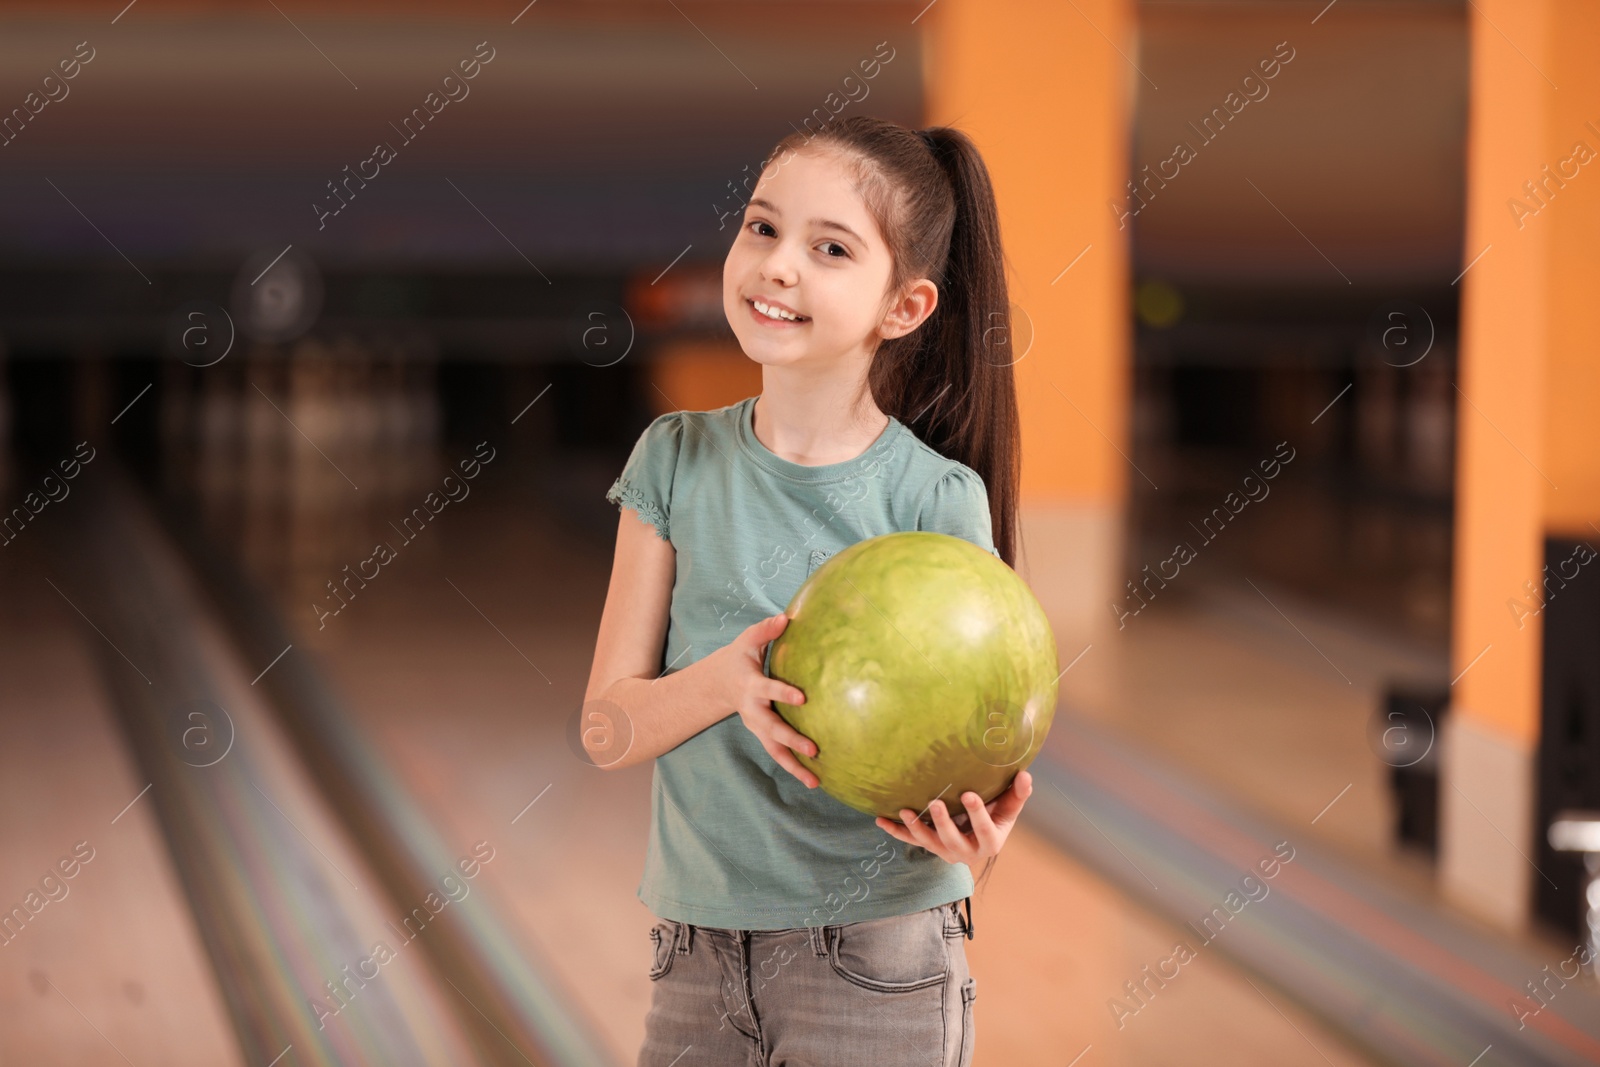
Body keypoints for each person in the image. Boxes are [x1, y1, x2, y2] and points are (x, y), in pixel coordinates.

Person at [585, 114, 1033, 1067]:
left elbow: (975, 749)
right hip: (695, 957)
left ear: (903, 308)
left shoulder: (934, 496)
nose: (778, 264)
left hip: (882, 956)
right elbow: (605, 728)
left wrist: (973, 823)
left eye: (830, 248)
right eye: (762, 228)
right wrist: (728, 684)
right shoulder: (673, 461)